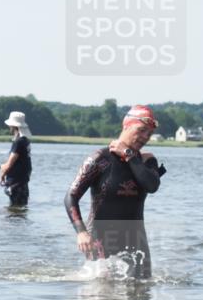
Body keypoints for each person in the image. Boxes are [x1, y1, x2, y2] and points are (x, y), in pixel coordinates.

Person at [65, 105, 166, 279]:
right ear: (126, 125)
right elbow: (71, 197)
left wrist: (129, 155)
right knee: (100, 295)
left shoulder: (146, 160)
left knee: (139, 296)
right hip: (100, 236)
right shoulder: (99, 159)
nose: (145, 137)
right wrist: (81, 232)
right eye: (141, 130)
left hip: (136, 238)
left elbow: (151, 186)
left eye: (149, 134)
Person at [0, 111, 32, 207]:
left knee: (14, 212)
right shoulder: (26, 141)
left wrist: (2, 172)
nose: (9, 127)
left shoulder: (19, 142)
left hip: (16, 184)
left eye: (10, 126)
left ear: (14, 126)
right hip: (23, 182)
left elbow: (10, 163)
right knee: (20, 211)